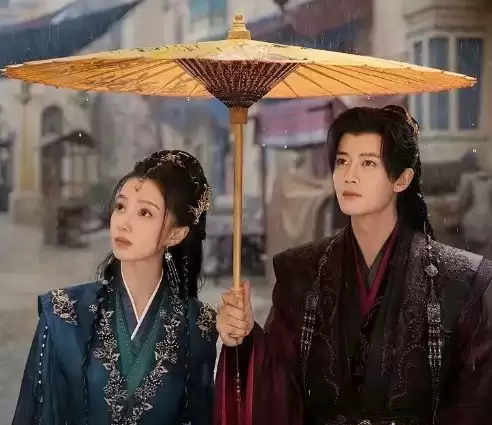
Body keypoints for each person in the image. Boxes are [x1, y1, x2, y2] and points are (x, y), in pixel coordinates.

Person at [215, 106, 492, 425]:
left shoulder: (461, 279)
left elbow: (477, 400)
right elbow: (279, 382)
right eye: (342, 161)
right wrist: (244, 337)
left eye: (368, 163)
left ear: (401, 179)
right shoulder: (300, 271)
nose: (350, 176)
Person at [13, 150, 217, 425]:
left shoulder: (199, 324)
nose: (124, 222)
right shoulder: (64, 315)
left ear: (175, 234)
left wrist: (244, 340)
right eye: (121, 207)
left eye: (144, 212)